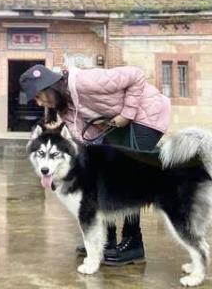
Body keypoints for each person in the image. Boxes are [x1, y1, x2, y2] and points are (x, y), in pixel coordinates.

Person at [19, 63, 171, 265]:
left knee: (127, 176)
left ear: (49, 88)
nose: (39, 103)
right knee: (102, 174)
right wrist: (60, 173)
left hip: (147, 116)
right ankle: (106, 240)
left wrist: (126, 114)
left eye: (38, 96)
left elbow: (136, 75)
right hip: (118, 127)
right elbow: (85, 141)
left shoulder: (85, 81)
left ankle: (133, 243)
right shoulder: (65, 107)